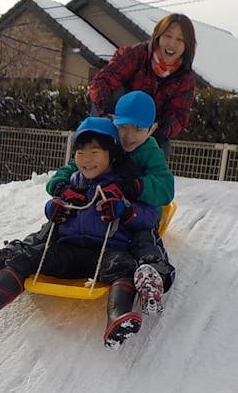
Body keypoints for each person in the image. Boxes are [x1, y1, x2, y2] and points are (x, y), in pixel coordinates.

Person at [0, 117, 159, 350]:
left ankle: (118, 316)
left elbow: (149, 217)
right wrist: (54, 208)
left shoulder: (125, 184)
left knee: (125, 265)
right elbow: (55, 210)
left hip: (107, 253)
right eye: (80, 152)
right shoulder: (71, 183)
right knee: (30, 255)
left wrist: (124, 209)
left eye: (94, 152)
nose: (86, 160)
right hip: (68, 251)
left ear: (112, 154)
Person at [48, 91, 175, 316]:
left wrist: (134, 187)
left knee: (142, 238)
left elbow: (166, 188)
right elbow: (72, 168)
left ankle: (152, 277)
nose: (129, 135)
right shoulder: (108, 140)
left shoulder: (150, 152)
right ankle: (19, 257)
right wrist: (60, 187)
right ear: (114, 121)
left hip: (138, 213)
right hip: (105, 210)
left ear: (152, 129)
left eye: (139, 129)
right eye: (124, 126)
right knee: (58, 224)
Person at [89, 13, 197, 159]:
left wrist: (158, 128)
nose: (172, 44)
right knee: (96, 143)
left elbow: (179, 114)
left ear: (187, 45)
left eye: (180, 39)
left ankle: (142, 178)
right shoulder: (136, 55)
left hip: (149, 128)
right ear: (158, 36)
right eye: (168, 36)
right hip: (117, 119)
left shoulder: (185, 78)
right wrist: (107, 112)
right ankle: (91, 159)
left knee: (160, 150)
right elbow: (101, 81)